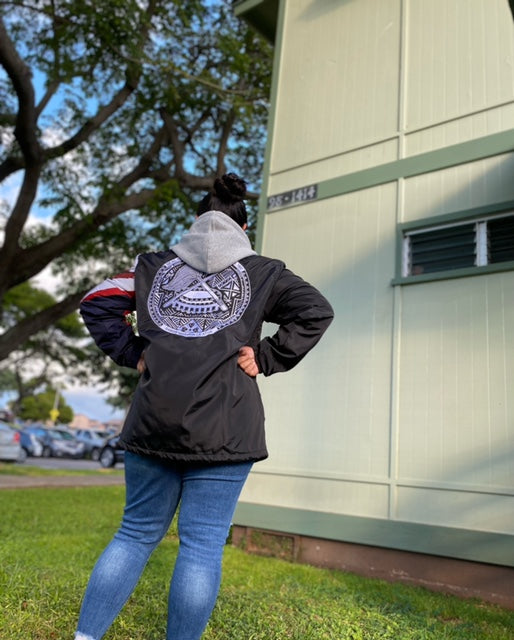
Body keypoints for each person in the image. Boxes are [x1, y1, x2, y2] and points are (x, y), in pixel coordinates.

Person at [75, 172, 334, 640]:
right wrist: (269, 357)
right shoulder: (265, 273)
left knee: (134, 535)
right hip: (227, 428)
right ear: (244, 229)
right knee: (201, 548)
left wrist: (134, 352)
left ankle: (85, 637)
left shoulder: (150, 268)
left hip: (153, 421)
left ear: (194, 223)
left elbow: (96, 300)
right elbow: (316, 309)